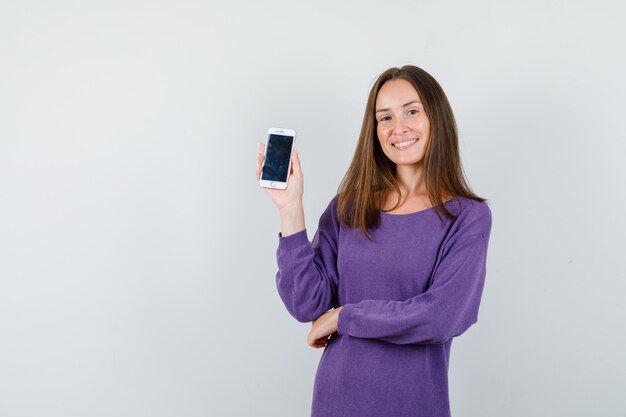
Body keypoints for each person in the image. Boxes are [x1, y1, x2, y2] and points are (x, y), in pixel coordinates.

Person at [255, 65, 492, 417]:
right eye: (385, 118)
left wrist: (344, 318)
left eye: (412, 111)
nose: (399, 128)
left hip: (413, 403)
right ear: (375, 130)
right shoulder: (350, 206)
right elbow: (306, 305)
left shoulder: (467, 216)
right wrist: (291, 210)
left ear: (436, 118)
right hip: (336, 400)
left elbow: (441, 315)